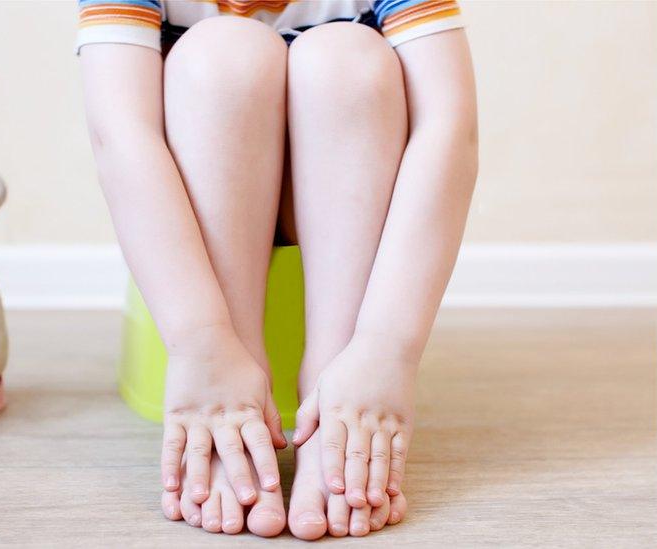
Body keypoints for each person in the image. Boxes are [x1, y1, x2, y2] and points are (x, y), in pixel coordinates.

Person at [77, 0, 478, 539]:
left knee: (348, 54)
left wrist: (386, 348)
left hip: (345, 203)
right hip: (200, 215)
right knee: (223, 52)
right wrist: (203, 342)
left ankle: (336, 389)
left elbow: (449, 130)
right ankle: (228, 391)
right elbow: (120, 135)